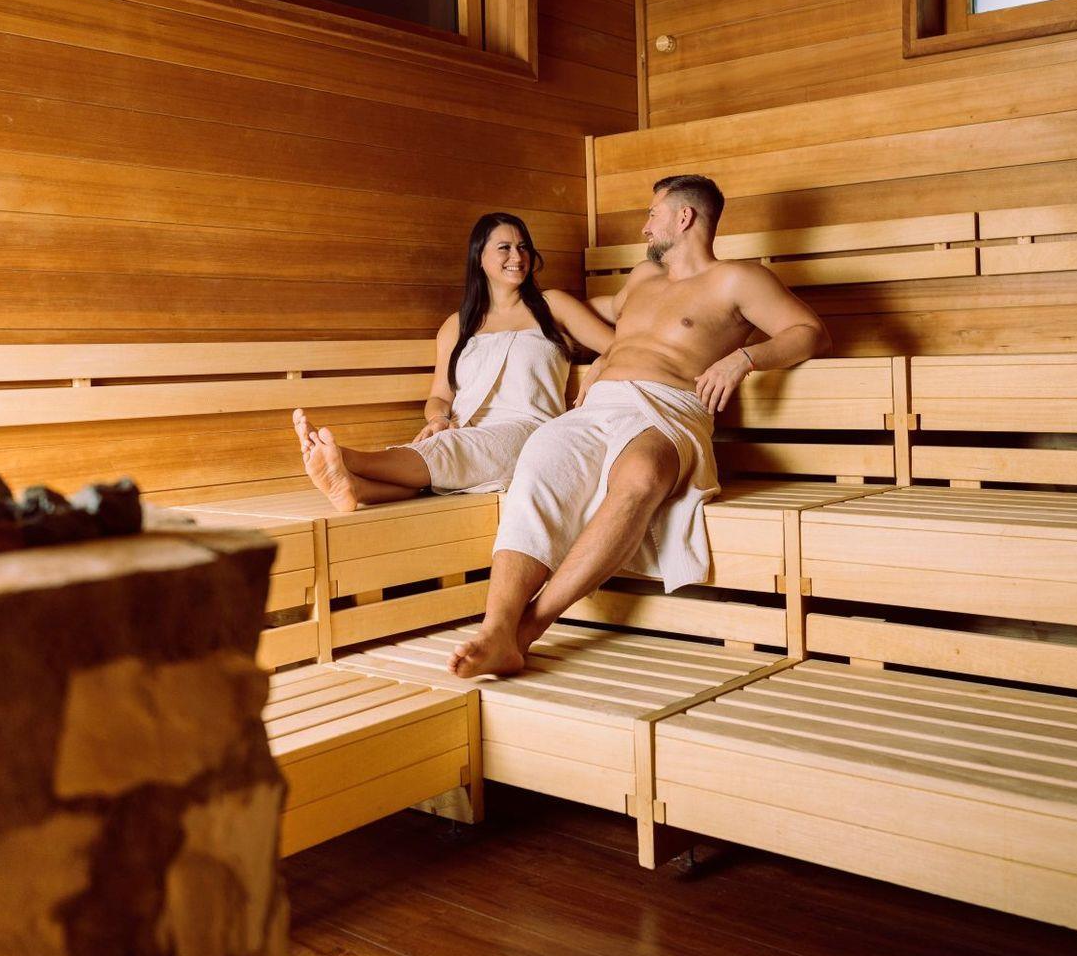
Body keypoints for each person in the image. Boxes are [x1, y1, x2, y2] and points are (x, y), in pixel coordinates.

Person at [448, 174, 828, 678]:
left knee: (643, 475)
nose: (646, 227)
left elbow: (809, 331)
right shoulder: (643, 277)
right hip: (598, 405)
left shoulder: (737, 279)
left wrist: (743, 359)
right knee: (536, 464)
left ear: (683, 217)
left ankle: (527, 630)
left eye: (653, 214)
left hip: (668, 408)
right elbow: (586, 316)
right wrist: (597, 356)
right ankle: (495, 627)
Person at [293, 213, 613, 511]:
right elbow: (440, 396)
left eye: (523, 247)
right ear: (479, 257)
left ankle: (346, 459)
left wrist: (600, 363)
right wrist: (438, 420)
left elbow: (620, 346)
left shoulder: (552, 305)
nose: (517, 256)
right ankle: (354, 487)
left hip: (530, 433)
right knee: (451, 448)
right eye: (504, 248)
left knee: (455, 449)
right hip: (465, 430)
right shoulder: (457, 325)